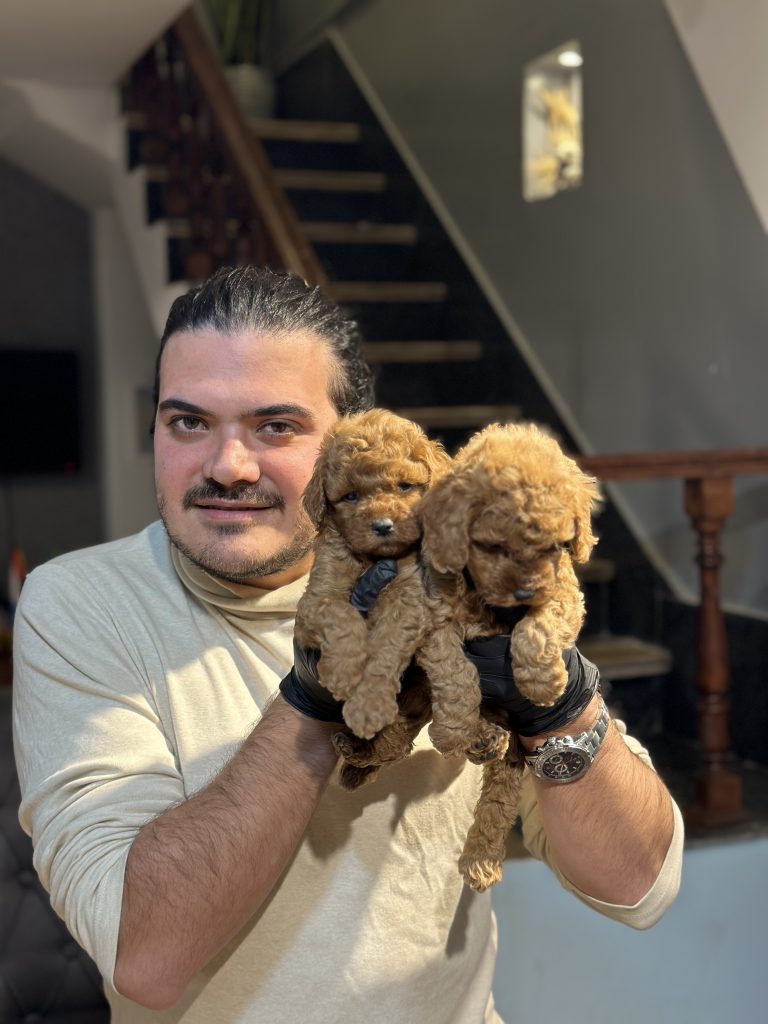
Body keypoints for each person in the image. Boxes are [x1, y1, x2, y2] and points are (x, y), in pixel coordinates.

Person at [12, 266, 683, 1024]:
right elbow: (146, 956)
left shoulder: (455, 575)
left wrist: (560, 706)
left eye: (276, 426)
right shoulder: (81, 604)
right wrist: (315, 702)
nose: (227, 465)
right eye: (188, 422)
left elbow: (638, 887)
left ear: (350, 445)